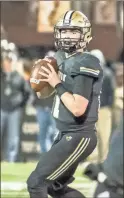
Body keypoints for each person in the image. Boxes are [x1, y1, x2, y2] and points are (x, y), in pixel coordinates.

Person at [27, 10, 103, 198]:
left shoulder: (87, 62)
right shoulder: (61, 58)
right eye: (64, 31)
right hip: (66, 133)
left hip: (79, 134)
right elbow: (42, 94)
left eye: (73, 31)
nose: (67, 36)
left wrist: (56, 82)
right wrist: (40, 77)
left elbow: (78, 109)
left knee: (36, 183)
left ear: (85, 34)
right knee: (55, 187)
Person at [1, 55, 33, 162]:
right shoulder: (1, 76)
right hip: (1, 109)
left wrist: (21, 104)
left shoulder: (18, 77)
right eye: (5, 64)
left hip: (14, 111)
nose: (7, 66)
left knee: (13, 137)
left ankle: (10, 159)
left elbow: (28, 93)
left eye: (8, 63)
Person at [90, 49, 115, 162]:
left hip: (94, 108)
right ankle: (103, 160)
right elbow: (112, 91)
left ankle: (95, 160)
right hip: (103, 108)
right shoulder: (108, 73)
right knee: (103, 136)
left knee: (95, 136)